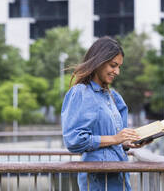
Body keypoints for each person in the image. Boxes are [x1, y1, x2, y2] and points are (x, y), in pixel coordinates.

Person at [61, 36, 149, 191]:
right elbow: (74, 140)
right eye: (113, 65)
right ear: (98, 62)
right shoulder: (82, 92)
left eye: (119, 67)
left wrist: (127, 142)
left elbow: (115, 138)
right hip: (98, 180)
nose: (117, 72)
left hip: (118, 176)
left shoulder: (112, 96)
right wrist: (115, 138)